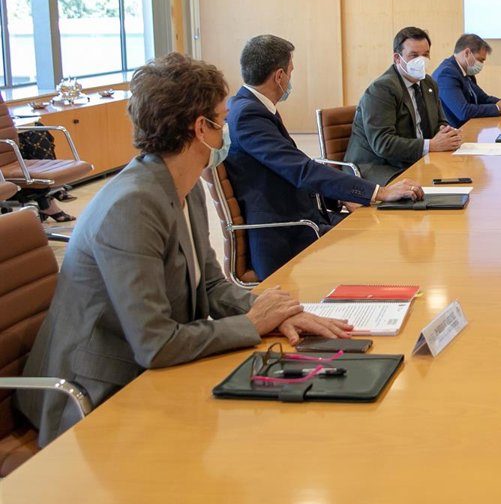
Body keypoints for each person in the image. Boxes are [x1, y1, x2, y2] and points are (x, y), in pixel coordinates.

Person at [18, 53, 351, 446]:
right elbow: (155, 344)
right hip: (95, 397)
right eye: (222, 119)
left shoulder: (183, 184)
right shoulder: (131, 206)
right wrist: (251, 324)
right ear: (201, 128)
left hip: (150, 375)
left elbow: (210, 285)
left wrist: (275, 312)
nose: (227, 128)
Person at [224, 35, 424, 280]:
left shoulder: (251, 107)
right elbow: (301, 170)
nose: (290, 80)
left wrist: (344, 195)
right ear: (279, 76)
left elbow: (293, 166)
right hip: (286, 234)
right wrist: (378, 192)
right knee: (386, 241)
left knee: (388, 224)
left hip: (305, 216)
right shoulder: (249, 116)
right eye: (291, 72)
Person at [344, 26, 463, 186]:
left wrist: (447, 133)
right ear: (397, 58)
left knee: (458, 176)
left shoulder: (429, 83)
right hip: (379, 167)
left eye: (425, 54)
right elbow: (383, 143)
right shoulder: (382, 89)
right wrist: (431, 145)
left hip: (414, 161)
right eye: (414, 55)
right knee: (424, 190)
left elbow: (439, 123)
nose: (421, 60)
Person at [432, 33, 501, 128]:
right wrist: (498, 108)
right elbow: (464, 112)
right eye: (480, 60)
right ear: (467, 53)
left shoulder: (466, 72)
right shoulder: (446, 74)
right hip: (455, 131)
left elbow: (483, 99)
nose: (481, 64)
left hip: (469, 127)